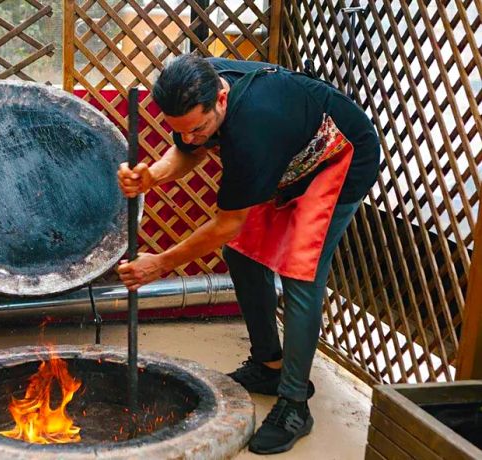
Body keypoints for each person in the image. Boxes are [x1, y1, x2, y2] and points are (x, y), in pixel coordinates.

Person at [117, 53, 380, 454]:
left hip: (339, 155)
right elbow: (189, 151)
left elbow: (226, 223)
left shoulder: (253, 127)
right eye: (181, 131)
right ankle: (268, 365)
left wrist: (162, 263)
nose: (190, 138)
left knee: (300, 270)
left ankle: (294, 403)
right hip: (289, 154)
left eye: (198, 128)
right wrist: (152, 175)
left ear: (221, 99)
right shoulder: (196, 84)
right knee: (242, 253)